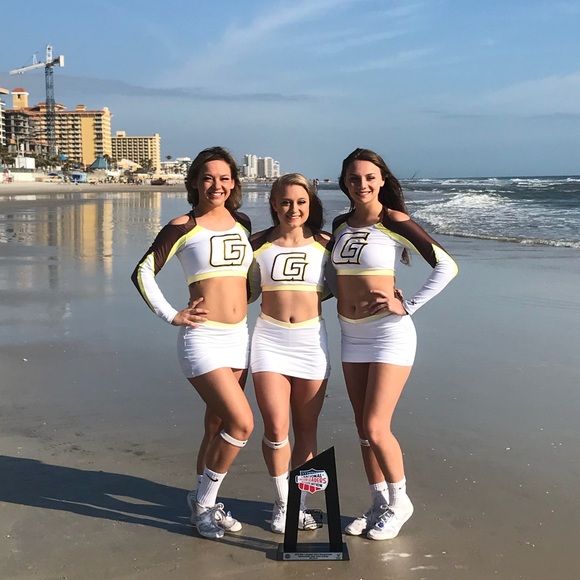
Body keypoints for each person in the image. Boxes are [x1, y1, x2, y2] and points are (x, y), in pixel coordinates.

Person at [330, 148, 458, 540]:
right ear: (345, 182)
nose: (362, 184)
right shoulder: (340, 224)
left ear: (382, 179)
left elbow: (446, 266)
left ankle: (401, 502)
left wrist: (408, 305)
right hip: (351, 334)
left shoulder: (393, 220)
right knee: (362, 428)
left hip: (388, 335)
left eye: (370, 177)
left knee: (375, 425)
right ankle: (378, 502)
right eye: (354, 178)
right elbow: (334, 275)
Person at [131, 146, 254, 540]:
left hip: (239, 338)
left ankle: (203, 500)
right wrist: (172, 314)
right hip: (202, 339)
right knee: (241, 423)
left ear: (233, 183)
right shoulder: (183, 226)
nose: (217, 185)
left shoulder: (243, 223)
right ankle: (203, 504)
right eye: (208, 178)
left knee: (217, 424)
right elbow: (143, 272)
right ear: (195, 182)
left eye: (224, 178)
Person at [248, 173, 332, 533]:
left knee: (307, 431)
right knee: (276, 429)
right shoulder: (256, 244)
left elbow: (354, 280)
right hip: (269, 340)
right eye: (285, 202)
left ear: (310, 204)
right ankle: (283, 505)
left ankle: (301, 505)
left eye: (300, 202)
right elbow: (233, 284)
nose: (293, 209)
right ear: (273, 204)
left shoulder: (328, 245)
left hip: (311, 342)